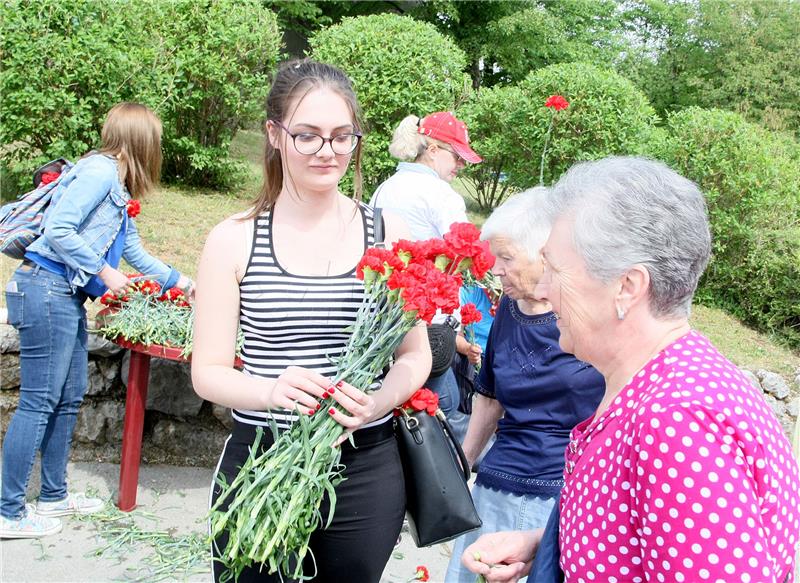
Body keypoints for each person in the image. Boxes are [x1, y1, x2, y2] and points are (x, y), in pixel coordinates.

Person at [462, 157, 800, 583]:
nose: (543, 289)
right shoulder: (663, 383)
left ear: (627, 287)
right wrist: (550, 542)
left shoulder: (676, 420)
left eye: (556, 270)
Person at [190, 60, 430, 583]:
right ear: (274, 135)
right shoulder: (233, 239)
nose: (328, 151)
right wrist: (271, 390)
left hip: (364, 466)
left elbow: (415, 355)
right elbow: (207, 371)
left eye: (343, 136)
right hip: (261, 460)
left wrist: (378, 403)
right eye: (308, 136)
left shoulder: (390, 232)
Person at [1, 103, 194, 539]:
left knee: (69, 398)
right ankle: (8, 511)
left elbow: (135, 253)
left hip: (64, 294)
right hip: (44, 288)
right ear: (141, 140)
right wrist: (105, 273)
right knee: (38, 401)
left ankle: (53, 496)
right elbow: (58, 231)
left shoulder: (119, 187)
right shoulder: (98, 172)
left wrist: (184, 283)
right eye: (156, 139)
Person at [446, 189, 605, 583]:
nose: (495, 269)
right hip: (496, 483)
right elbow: (489, 397)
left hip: (561, 494)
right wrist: (460, 466)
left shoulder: (590, 319)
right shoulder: (509, 312)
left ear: (544, 254)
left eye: (507, 257)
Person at [371, 111, 482, 418]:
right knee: (441, 413)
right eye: (456, 156)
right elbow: (465, 253)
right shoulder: (442, 195)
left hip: (387, 317)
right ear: (433, 151)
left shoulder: (386, 187)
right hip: (431, 326)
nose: (460, 166)